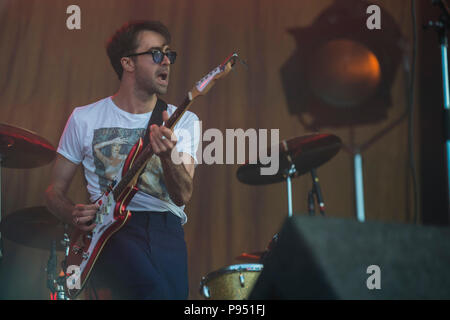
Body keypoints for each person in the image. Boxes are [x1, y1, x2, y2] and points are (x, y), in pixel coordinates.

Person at [45, 20, 200, 299]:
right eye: (155, 54)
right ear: (127, 63)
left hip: (165, 229)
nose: (166, 61)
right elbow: (54, 192)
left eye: (168, 54)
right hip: (107, 234)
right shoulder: (84, 118)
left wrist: (168, 157)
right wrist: (73, 214)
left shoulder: (184, 120)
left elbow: (182, 195)